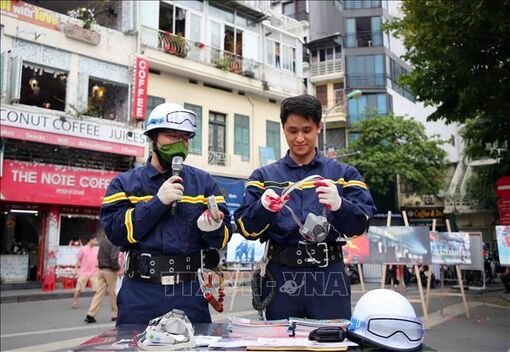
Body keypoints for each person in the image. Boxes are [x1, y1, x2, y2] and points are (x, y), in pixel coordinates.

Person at [234, 94, 376, 319]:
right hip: (281, 276)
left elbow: (362, 226)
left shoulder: (344, 175)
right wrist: (262, 208)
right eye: (292, 131)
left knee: (332, 341)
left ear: (319, 127)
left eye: (307, 130)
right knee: (282, 344)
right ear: (283, 129)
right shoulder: (263, 177)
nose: (299, 138)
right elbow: (245, 229)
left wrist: (340, 206)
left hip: (328, 275)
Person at [100, 103, 232, 325]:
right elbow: (116, 232)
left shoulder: (204, 183)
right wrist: (157, 203)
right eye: (172, 136)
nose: (180, 145)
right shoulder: (124, 183)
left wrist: (215, 227)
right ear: (152, 139)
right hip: (140, 291)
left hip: (189, 291)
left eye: (185, 138)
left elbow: (225, 235)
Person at [84, 229, 122, 323]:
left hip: (101, 269)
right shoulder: (114, 242)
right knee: (113, 293)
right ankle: (115, 314)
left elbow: (99, 256)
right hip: (110, 270)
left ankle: (90, 314)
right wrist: (117, 269)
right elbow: (114, 257)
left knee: (99, 293)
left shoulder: (103, 241)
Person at [72, 234, 99, 309]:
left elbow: (97, 261)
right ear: (91, 240)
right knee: (79, 288)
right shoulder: (82, 249)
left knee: (98, 289)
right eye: (95, 240)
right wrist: (75, 269)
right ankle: (75, 302)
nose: (96, 242)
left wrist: (99, 269)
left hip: (94, 272)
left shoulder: (96, 250)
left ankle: (94, 304)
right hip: (83, 272)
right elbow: (78, 260)